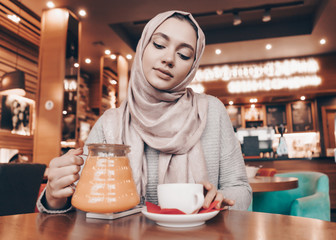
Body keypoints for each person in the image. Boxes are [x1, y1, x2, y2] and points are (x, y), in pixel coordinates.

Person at [37, 10, 252, 213]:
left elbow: (240, 188)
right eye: (159, 44)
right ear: (143, 47)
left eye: (184, 55)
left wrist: (221, 200)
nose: (169, 59)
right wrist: (55, 197)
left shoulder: (211, 111)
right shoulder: (110, 124)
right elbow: (82, 202)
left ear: (192, 67)